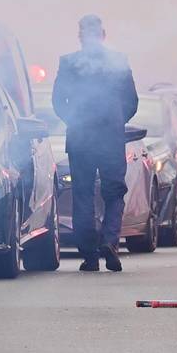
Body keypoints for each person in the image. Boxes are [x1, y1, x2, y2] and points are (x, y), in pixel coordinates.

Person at [52, 15, 139, 272]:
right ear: (103, 34)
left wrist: (75, 121)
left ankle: (89, 255)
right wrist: (115, 122)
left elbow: (58, 101)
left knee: (82, 195)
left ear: (80, 35)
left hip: (80, 139)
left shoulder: (68, 63)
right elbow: (131, 102)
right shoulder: (118, 61)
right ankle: (110, 241)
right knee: (114, 193)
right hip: (111, 140)